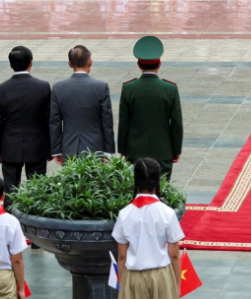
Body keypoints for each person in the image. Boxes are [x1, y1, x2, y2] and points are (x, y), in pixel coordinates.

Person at [112, 158, 184, 299]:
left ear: (136, 181)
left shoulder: (124, 214)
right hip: (161, 275)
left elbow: (122, 256)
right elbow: (174, 254)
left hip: (133, 277)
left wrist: (123, 284)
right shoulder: (167, 213)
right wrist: (177, 285)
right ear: (157, 182)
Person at [118, 37, 183, 179]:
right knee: (161, 192)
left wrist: (123, 150)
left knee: (136, 192)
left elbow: (124, 122)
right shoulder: (170, 89)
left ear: (138, 64)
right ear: (159, 64)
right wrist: (176, 149)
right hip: (163, 152)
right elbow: (176, 123)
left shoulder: (128, 88)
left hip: (135, 152)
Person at [0, 46, 51, 194]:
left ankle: (11, 217)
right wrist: (51, 147)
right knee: (37, 191)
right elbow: (49, 119)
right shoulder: (43, 87)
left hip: (10, 146)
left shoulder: (1, 89)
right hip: (37, 146)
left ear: (11, 65)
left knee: (11, 191)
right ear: (31, 63)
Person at [50, 45, 115, 162]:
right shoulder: (100, 87)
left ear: (70, 64)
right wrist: (108, 150)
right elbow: (107, 120)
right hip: (95, 147)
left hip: (69, 147)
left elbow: (55, 122)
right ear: (90, 62)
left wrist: (56, 150)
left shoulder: (58, 87)